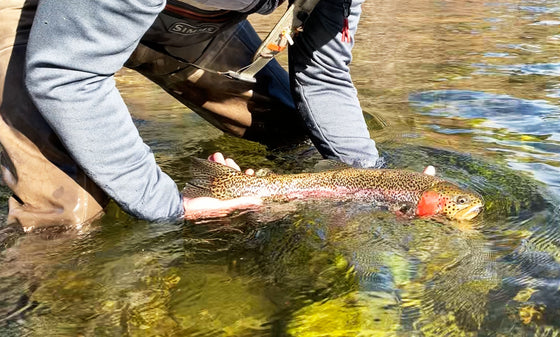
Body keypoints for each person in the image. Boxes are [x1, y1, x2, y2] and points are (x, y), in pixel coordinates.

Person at [0, 0, 381, 232]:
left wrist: (371, 180)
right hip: (43, 20)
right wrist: (167, 204)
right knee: (66, 218)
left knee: (294, 129)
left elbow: (324, 75)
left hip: (186, 18)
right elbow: (67, 74)